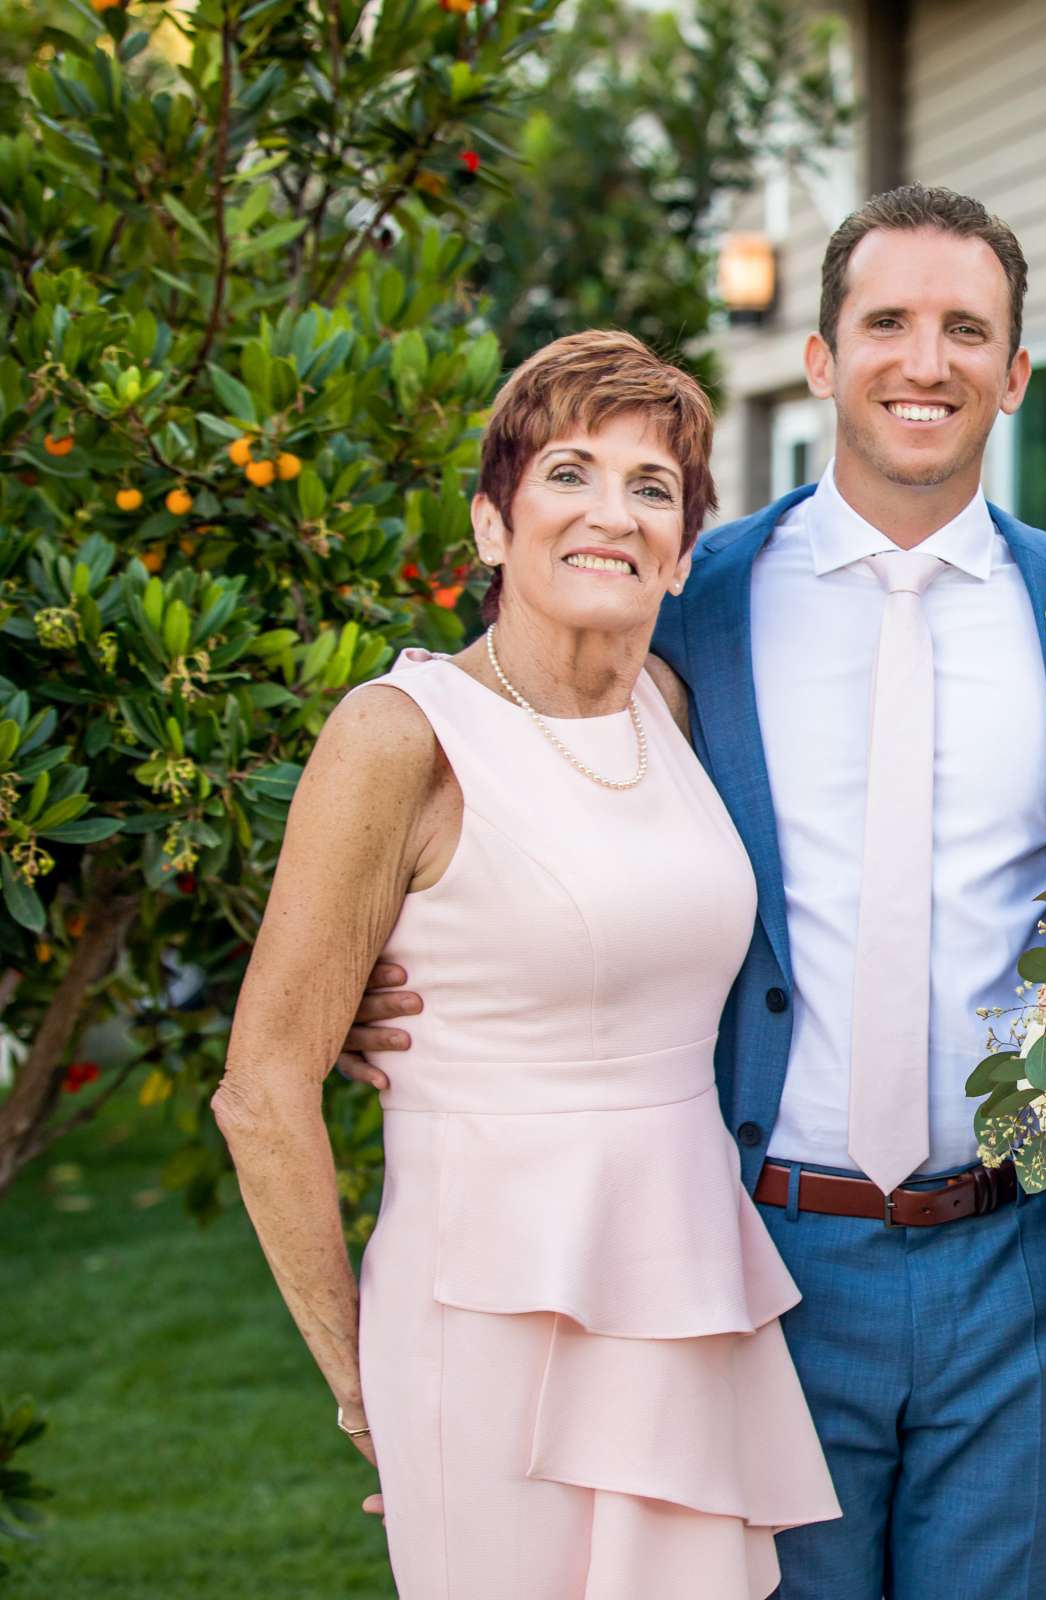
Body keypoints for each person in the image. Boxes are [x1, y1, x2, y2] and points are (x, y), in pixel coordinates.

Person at [342, 186, 1046, 1600]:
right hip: (761, 1252)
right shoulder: (690, 596)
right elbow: (525, 775)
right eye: (888, 323)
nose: (928, 361)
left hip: (1021, 1254)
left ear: (1017, 372)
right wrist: (404, 960)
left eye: (967, 329)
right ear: (821, 360)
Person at [216, 330, 841, 1598]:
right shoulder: (401, 736)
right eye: (569, 472)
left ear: (680, 548)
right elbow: (261, 1086)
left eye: (652, 488)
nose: (612, 514)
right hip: (482, 1314)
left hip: (684, 1285)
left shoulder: (666, 708)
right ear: (493, 524)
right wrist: (356, 1375)